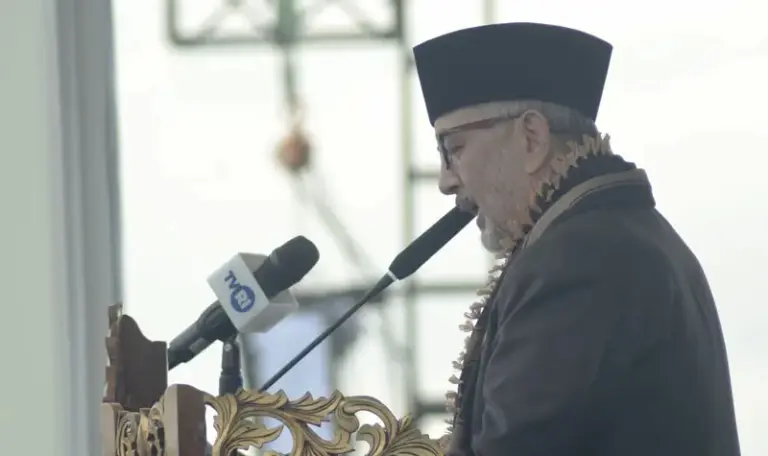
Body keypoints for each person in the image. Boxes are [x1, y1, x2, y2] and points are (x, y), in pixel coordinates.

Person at [412, 22, 741, 456]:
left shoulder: (578, 261)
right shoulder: (625, 236)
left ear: (531, 136)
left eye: (453, 148)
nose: (446, 181)